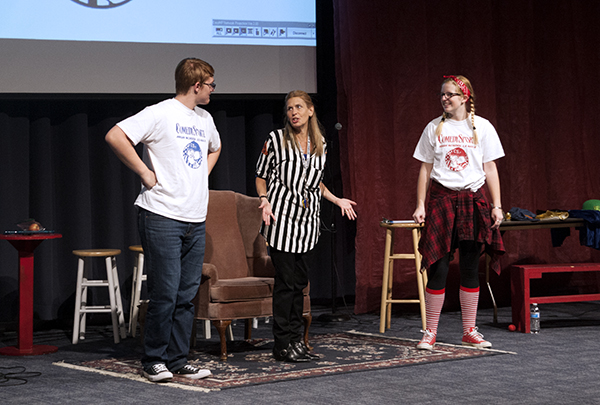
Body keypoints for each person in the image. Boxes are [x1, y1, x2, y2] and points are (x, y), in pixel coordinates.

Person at [105, 58, 221, 382]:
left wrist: (201, 175)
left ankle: (178, 358)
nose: (213, 90)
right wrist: (144, 172)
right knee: (166, 293)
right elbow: (116, 136)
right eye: (211, 84)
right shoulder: (160, 113)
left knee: (186, 296)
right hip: (162, 215)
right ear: (196, 85)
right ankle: (153, 359)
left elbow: (216, 146)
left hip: (195, 218)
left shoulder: (205, 118)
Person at [255, 90, 357, 362]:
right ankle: (282, 343)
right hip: (281, 220)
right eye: (289, 108)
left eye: (298, 107)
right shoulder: (276, 139)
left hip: (308, 223)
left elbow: (315, 183)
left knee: (300, 284)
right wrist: (264, 200)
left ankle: (297, 341)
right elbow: (261, 176)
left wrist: (336, 200)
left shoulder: (320, 143)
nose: (294, 113)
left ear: (310, 110)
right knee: (286, 283)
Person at [412, 75, 505, 350]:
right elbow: (425, 169)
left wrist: (497, 205)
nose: (444, 99)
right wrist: (420, 204)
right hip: (442, 200)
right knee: (438, 267)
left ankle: (469, 331)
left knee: (469, 268)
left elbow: (490, 168)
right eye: (442, 94)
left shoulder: (483, 127)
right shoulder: (433, 128)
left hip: (473, 200)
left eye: (450, 94)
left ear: (464, 97)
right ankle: (430, 332)